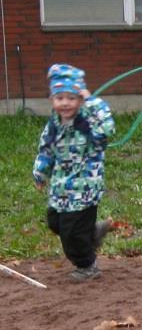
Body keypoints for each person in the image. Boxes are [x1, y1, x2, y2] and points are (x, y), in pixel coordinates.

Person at [33, 64, 115, 282]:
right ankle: (91, 234)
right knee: (54, 222)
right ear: (52, 100)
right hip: (61, 186)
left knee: (71, 233)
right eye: (60, 98)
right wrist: (40, 172)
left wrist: (92, 100)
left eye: (72, 97)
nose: (65, 103)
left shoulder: (89, 124)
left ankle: (87, 265)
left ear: (80, 99)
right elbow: (46, 150)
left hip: (85, 188)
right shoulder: (54, 125)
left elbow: (108, 128)